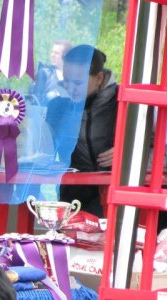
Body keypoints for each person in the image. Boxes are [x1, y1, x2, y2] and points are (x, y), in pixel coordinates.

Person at [46, 45, 118, 217]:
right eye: (66, 80)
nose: (70, 88)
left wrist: (127, 153)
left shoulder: (122, 102)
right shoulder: (58, 107)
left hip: (112, 198)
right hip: (72, 197)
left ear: (99, 78)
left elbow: (154, 147)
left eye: (78, 82)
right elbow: (43, 150)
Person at [29, 40, 72, 105]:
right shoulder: (44, 74)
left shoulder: (75, 78)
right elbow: (36, 101)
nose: (52, 55)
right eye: (52, 52)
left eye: (56, 53)